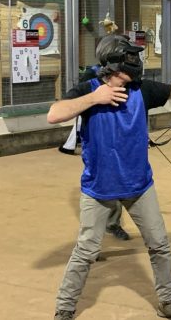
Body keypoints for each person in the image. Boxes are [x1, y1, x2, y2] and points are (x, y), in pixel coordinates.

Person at [49, 34, 171, 320]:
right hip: (99, 189)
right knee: (86, 251)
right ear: (112, 64)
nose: (135, 63)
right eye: (128, 58)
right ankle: (64, 310)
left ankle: (168, 302)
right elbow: (54, 115)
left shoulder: (143, 90)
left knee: (160, 246)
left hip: (139, 186)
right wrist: (95, 98)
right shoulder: (87, 90)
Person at [58, 65, 132, 241]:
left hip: (118, 139)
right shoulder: (93, 75)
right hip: (96, 144)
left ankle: (113, 223)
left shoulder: (125, 76)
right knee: (96, 192)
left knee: (117, 182)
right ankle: (91, 241)